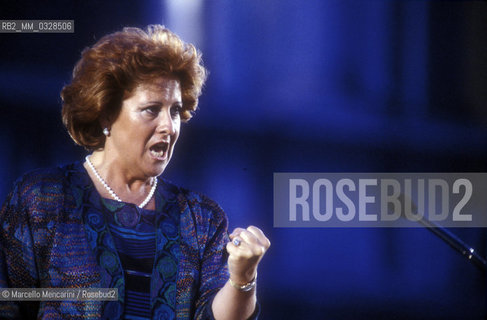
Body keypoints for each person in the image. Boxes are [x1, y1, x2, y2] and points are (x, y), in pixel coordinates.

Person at [0, 25, 270, 319]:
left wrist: (243, 278)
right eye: (152, 109)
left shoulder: (202, 219)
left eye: (175, 111)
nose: (169, 126)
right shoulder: (42, 198)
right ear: (106, 113)